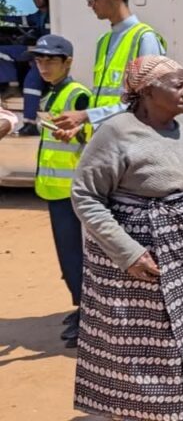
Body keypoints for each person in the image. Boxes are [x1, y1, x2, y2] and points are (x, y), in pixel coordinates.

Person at [71, 56, 183, 421]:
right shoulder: (116, 132)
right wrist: (128, 254)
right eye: (177, 85)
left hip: (179, 256)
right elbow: (85, 195)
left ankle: (177, 411)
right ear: (146, 91)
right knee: (137, 356)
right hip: (130, 268)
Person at [54, 0, 166, 140]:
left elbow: (148, 102)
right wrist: (83, 126)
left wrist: (86, 115)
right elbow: (103, 98)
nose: (90, 4)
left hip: (133, 143)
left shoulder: (145, 38)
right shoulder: (103, 41)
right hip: (106, 142)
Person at [30, 35, 91, 347]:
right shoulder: (52, 94)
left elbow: (92, 140)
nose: (43, 66)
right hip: (55, 190)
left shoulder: (78, 95)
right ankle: (82, 308)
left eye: (51, 60)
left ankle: (89, 319)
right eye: (39, 61)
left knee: (78, 257)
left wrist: (77, 135)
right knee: (68, 258)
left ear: (68, 63)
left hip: (73, 192)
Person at [0, 0, 51, 135]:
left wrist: (33, 50)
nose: (35, 0)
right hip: (36, 52)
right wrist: (3, 17)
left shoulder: (53, 14)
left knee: (31, 82)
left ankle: (30, 123)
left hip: (44, 55)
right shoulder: (37, 16)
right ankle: (13, 86)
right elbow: (20, 19)